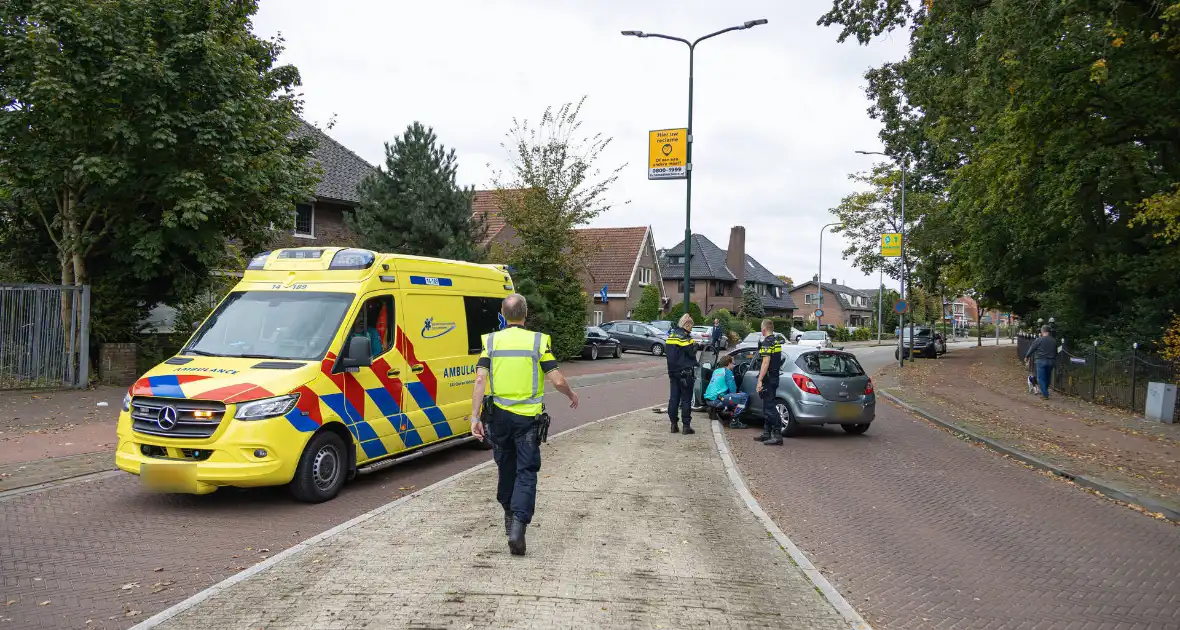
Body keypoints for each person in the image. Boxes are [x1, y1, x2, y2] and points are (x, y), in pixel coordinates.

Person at [470, 294, 578, 556]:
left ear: (502, 314)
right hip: (528, 420)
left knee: (505, 468)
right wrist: (571, 395)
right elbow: (557, 379)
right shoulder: (538, 341)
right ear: (525, 313)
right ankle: (518, 525)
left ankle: (508, 513)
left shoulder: (491, 341)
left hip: (498, 419)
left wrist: (475, 416)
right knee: (526, 471)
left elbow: (480, 381)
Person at [665, 313, 698, 434]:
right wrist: (695, 346)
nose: (691, 329)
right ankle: (686, 426)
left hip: (672, 372)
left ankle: (673, 425)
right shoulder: (685, 337)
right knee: (685, 399)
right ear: (687, 324)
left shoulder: (671, 336)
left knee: (673, 399)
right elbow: (691, 353)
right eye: (691, 326)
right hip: (685, 373)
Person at [753, 319, 784, 445]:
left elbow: (765, 363)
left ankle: (777, 435)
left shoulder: (767, 343)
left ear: (763, 329)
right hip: (774, 377)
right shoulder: (776, 341)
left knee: (770, 407)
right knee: (767, 406)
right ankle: (766, 433)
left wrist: (759, 380)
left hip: (768, 379)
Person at [704, 354, 749, 429]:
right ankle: (734, 421)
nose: (734, 365)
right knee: (744, 397)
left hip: (709, 399)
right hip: (718, 400)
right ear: (729, 363)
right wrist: (738, 395)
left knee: (731, 398)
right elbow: (732, 389)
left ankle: (719, 411)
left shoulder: (716, 371)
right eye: (733, 363)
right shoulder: (728, 372)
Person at [1024, 324, 1058, 399]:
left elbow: (1032, 349)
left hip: (1041, 360)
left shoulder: (1039, 340)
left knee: (1041, 378)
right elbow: (1056, 352)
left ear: (1042, 331)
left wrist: (1027, 356)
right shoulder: (1054, 340)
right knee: (1048, 377)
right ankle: (1045, 390)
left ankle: (1045, 394)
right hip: (1051, 361)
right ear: (1049, 332)